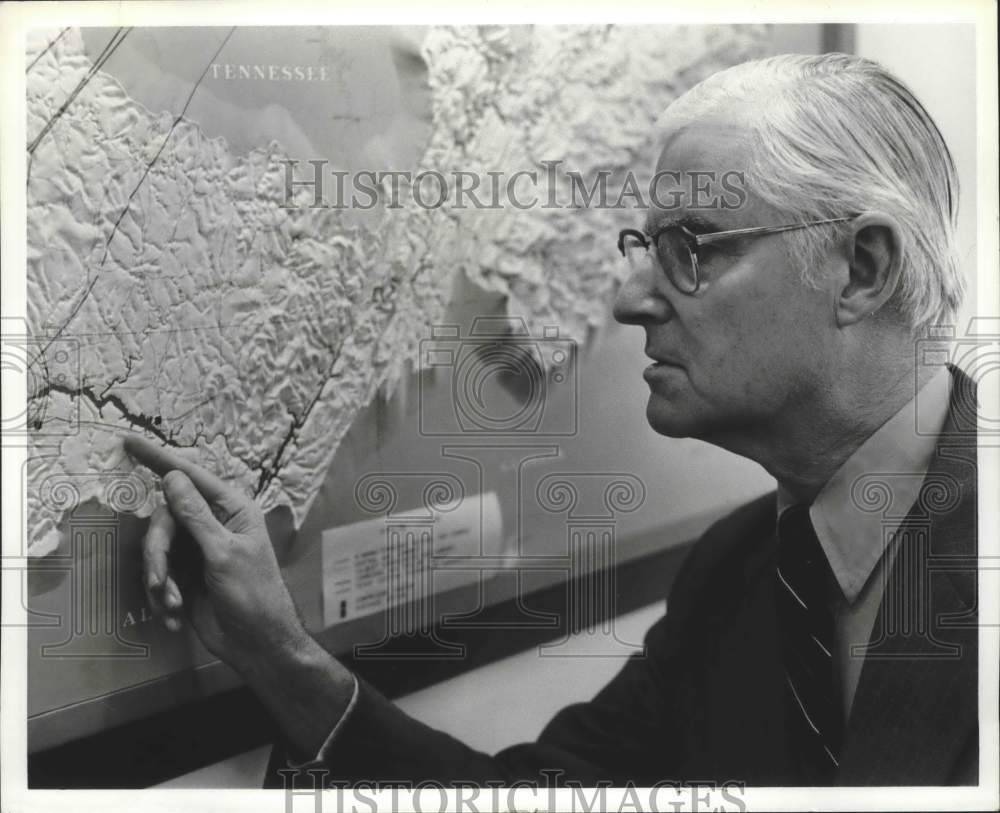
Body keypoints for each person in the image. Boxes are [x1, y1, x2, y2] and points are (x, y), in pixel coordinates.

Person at [122, 52, 978, 787]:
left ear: (861, 270)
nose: (631, 298)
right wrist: (279, 651)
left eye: (692, 248)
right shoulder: (735, 572)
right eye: (641, 248)